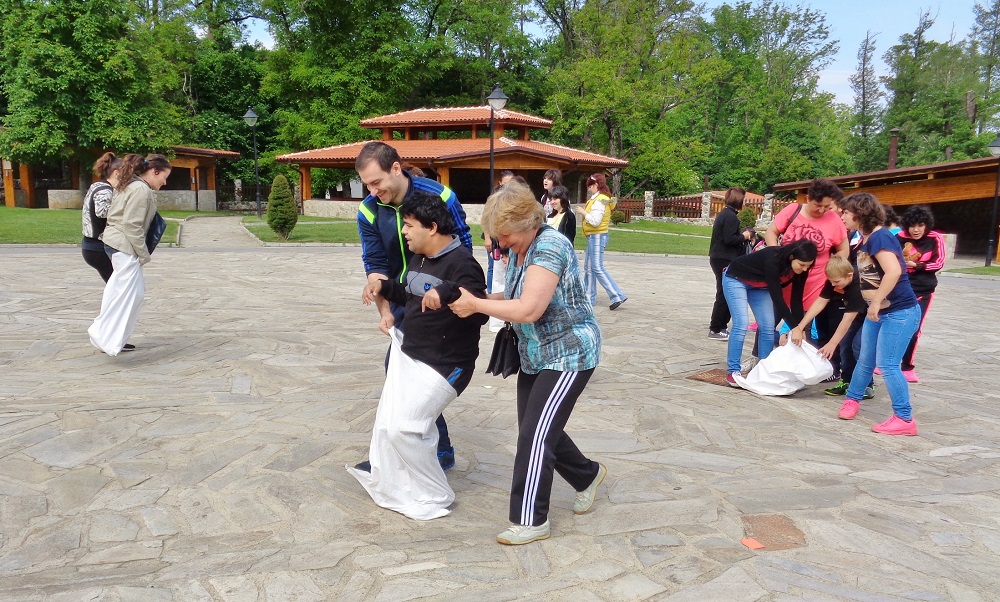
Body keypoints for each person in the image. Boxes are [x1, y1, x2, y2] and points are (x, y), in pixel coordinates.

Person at [449, 181, 606, 546]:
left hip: (569, 353)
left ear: (526, 222)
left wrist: (477, 306)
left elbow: (530, 308)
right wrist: (482, 298)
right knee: (536, 428)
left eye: (505, 235)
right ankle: (587, 475)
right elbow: (518, 293)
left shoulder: (549, 246)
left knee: (534, 437)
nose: (501, 243)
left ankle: (530, 520)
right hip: (536, 354)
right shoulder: (523, 248)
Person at [348, 192, 488, 520]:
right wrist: (383, 288)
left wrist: (447, 291)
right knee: (389, 426)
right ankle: (404, 482)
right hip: (412, 356)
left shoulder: (463, 264)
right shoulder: (419, 257)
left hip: (447, 366)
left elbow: (481, 311)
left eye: (409, 225)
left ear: (432, 227)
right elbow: (410, 294)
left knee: (406, 429)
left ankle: (435, 492)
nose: (404, 232)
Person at [355, 141, 473, 470]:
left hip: (439, 298)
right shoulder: (369, 210)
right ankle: (433, 451)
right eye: (367, 185)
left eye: (376, 182)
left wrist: (450, 295)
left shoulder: (441, 196)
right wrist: (385, 310)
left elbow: (462, 248)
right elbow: (376, 263)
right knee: (401, 371)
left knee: (418, 374)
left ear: (396, 168)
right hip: (401, 297)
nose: (372, 191)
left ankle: (422, 453)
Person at [836, 193, 921, 435]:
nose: (842, 216)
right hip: (880, 313)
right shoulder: (866, 238)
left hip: (899, 313)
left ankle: (904, 419)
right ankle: (852, 400)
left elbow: (893, 271)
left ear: (859, 213)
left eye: (845, 212)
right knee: (865, 359)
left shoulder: (880, 237)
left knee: (888, 365)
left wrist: (874, 303)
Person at [88, 153, 171, 356]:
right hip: (124, 246)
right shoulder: (140, 189)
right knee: (126, 295)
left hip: (119, 244)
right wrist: (143, 255)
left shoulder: (134, 185)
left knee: (125, 292)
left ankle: (109, 337)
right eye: (164, 177)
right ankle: (106, 337)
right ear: (155, 171)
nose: (165, 182)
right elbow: (132, 224)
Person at [764, 178, 847, 378]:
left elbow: (843, 249)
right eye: (818, 205)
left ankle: (799, 371)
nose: (822, 210)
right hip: (785, 278)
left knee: (803, 326)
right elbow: (771, 232)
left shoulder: (834, 220)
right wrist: (777, 257)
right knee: (768, 322)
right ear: (808, 198)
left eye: (827, 206)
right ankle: (761, 361)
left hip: (815, 283)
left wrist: (834, 268)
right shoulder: (792, 210)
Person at [722, 239, 817, 386]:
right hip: (736, 279)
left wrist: (801, 328)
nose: (804, 269)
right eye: (801, 264)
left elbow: (796, 300)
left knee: (767, 326)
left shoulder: (801, 271)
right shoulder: (773, 260)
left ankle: (764, 370)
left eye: (808, 266)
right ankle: (733, 371)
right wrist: (794, 328)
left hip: (759, 286)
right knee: (741, 324)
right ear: (792, 257)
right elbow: (777, 299)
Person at [789, 256, 874, 399]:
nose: (833, 285)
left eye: (836, 282)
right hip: (857, 313)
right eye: (831, 282)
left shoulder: (858, 284)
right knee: (845, 345)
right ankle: (846, 380)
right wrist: (800, 327)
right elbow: (821, 301)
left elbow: (847, 319)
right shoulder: (835, 279)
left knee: (859, 346)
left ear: (849, 275)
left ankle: (867, 384)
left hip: (874, 315)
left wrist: (832, 343)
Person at [896, 205, 945, 383]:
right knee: (894, 326)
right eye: (912, 225)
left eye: (920, 225)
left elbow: (938, 263)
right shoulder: (898, 238)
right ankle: (888, 362)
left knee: (914, 328)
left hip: (923, 290)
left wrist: (917, 266)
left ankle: (907, 366)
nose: (916, 229)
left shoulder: (935, 238)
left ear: (926, 225)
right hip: (899, 288)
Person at [574, 172, 627, 310]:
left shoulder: (600, 200)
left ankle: (617, 295)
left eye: (590, 186)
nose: (589, 188)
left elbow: (595, 221)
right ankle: (589, 297)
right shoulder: (603, 198)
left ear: (596, 185)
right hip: (594, 236)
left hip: (597, 235)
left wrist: (583, 212)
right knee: (589, 268)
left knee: (597, 267)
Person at [708, 187, 754, 340]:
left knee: (725, 292)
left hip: (718, 257)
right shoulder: (730, 217)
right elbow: (729, 239)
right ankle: (716, 328)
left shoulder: (725, 214)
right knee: (724, 293)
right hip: (724, 258)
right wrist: (744, 236)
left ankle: (721, 326)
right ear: (738, 200)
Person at [82, 152, 124, 283]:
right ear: (116, 173)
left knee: (115, 284)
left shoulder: (98, 185)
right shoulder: (104, 190)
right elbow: (102, 212)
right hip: (98, 247)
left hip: (92, 246)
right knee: (118, 284)